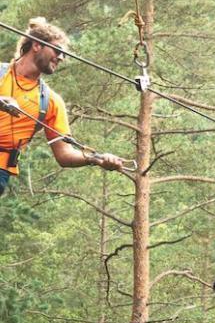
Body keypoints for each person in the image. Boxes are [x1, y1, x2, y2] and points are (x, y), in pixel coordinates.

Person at [0, 17, 124, 196]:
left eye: (64, 54)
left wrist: (97, 159)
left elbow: (64, 154)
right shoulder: (1, 74)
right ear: (37, 45)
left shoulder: (50, 101)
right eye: (57, 50)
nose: (62, 58)